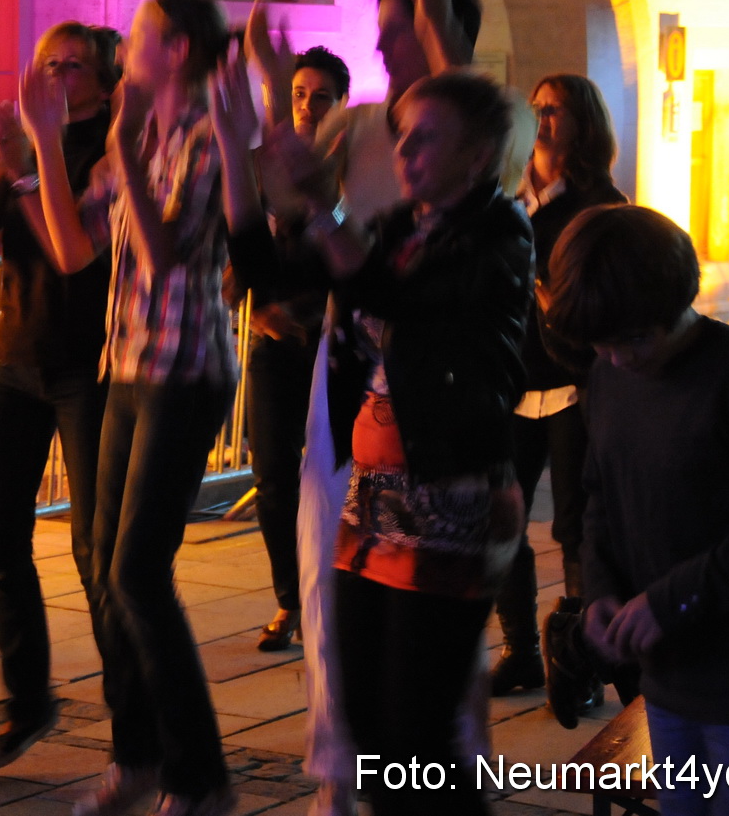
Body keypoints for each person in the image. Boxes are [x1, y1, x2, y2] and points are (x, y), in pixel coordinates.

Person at [21, 0, 262, 816]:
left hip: (185, 367)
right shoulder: (144, 138)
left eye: (143, 35)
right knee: (103, 563)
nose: (125, 47)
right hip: (123, 360)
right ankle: (138, 759)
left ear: (181, 49)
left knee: (136, 569)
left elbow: (162, 260)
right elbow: (71, 247)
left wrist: (118, 142)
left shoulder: (200, 137)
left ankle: (201, 775)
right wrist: (47, 144)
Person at [267, 69, 530, 816]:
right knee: (372, 736)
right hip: (372, 498)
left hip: (449, 496)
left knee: (416, 739)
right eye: (400, 135)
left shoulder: (498, 231)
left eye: (424, 136)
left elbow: (401, 297)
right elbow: (284, 274)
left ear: (477, 157)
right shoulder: (398, 225)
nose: (404, 149)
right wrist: (266, 187)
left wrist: (323, 205)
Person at [548, 205, 729, 816]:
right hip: (670, 683)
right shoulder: (609, 378)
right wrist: (603, 591)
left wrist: (674, 599)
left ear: (674, 301)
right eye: (600, 344)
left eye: (633, 338)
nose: (618, 358)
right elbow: (601, 496)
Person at [0, 21, 117, 768]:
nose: (57, 76)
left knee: (96, 549)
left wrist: (25, 163)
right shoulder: (18, 151)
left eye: (74, 65)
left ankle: (134, 710)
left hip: (88, 366)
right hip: (14, 358)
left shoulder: (111, 146)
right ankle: (26, 698)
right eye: (48, 63)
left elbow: (76, 254)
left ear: (103, 79)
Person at [489, 74, 624, 701]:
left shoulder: (599, 201)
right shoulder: (507, 192)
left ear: (582, 122)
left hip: (574, 381)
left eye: (555, 108)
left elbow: (597, 292)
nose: (541, 117)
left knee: (576, 523)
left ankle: (580, 659)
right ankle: (519, 649)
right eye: (535, 105)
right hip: (513, 379)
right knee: (502, 513)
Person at [238, 45, 348, 652]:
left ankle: (332, 592)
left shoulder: (350, 165)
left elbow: (353, 254)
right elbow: (237, 243)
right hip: (271, 341)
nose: (307, 106)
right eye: (298, 94)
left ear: (340, 104)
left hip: (332, 339)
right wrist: (247, 298)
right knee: (273, 473)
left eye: (320, 96)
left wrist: (304, 311)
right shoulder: (258, 166)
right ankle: (290, 598)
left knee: (335, 475)